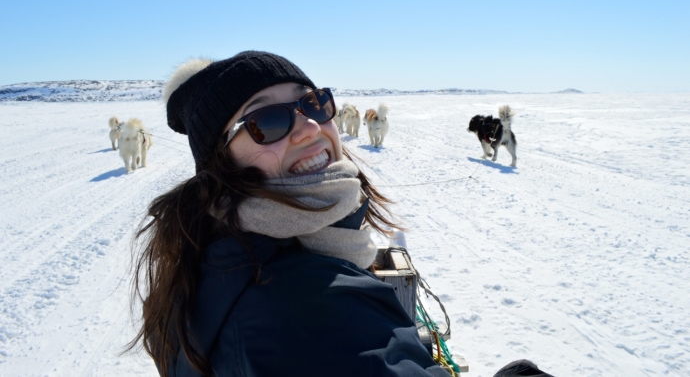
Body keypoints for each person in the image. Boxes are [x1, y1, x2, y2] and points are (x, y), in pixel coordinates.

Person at [128, 51, 453, 376]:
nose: (310, 127)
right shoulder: (309, 308)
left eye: (314, 103)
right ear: (222, 162)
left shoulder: (209, 261)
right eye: (268, 121)